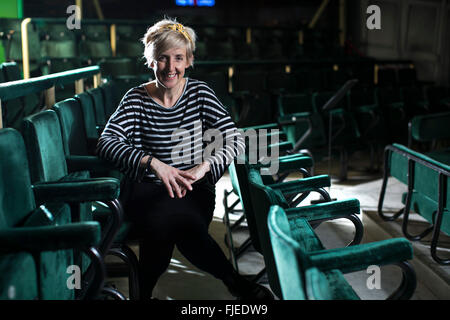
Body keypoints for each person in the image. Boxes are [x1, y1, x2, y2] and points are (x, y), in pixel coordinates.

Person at [97, 18, 273, 300]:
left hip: (194, 188)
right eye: (162, 59)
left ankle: (141, 295)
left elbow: (235, 138)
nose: (170, 67)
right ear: (150, 61)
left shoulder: (200, 93)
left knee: (169, 223)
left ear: (189, 61)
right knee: (173, 223)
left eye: (178, 58)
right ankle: (236, 284)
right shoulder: (135, 99)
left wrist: (205, 166)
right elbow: (106, 143)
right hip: (148, 189)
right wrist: (152, 163)